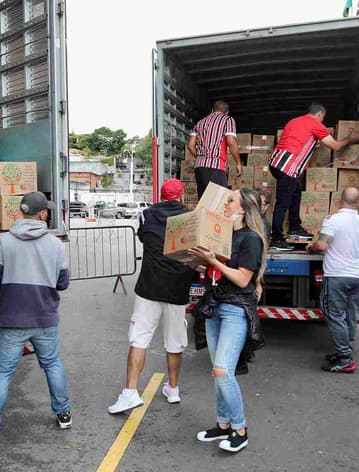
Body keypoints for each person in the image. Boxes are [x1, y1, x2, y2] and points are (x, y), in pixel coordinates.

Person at [0, 191, 71, 448]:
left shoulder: (3, 242)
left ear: (20, 212)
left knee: (3, 372)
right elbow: (62, 283)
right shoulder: (56, 245)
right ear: (43, 214)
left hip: (13, 317)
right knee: (52, 364)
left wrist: (6, 302)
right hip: (45, 318)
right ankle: (63, 413)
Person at [188, 188, 266, 453]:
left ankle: (240, 430)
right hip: (214, 306)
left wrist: (214, 262)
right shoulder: (223, 234)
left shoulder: (251, 239)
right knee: (218, 371)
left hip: (235, 309)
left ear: (243, 209)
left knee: (222, 370)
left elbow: (243, 279)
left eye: (230, 200)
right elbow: (212, 271)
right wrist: (200, 263)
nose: (225, 203)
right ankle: (222, 425)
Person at [107, 179, 195, 414]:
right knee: (175, 341)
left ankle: (130, 392)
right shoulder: (191, 217)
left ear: (161, 195)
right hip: (178, 287)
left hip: (150, 285)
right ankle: (173, 388)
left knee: (139, 339)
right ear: (181, 196)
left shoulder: (147, 214)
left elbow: (144, 237)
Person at [268, 102, 359, 251]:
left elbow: (296, 140)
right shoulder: (315, 123)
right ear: (320, 114)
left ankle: (294, 227)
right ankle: (277, 239)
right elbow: (335, 146)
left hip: (276, 161)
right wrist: (350, 138)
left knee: (295, 193)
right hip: (287, 165)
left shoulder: (294, 121)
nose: (322, 121)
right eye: (323, 118)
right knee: (283, 202)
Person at [307, 187, 359, 373]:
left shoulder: (333, 220)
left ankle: (344, 358)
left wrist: (311, 246)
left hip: (336, 276)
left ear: (339, 200)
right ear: (358, 202)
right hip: (355, 276)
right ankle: (346, 352)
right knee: (350, 315)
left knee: (334, 315)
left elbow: (322, 245)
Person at [187, 100, 242, 199]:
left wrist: (201, 157)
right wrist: (238, 163)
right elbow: (231, 142)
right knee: (219, 202)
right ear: (227, 112)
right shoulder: (228, 120)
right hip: (215, 167)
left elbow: (190, 145)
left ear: (212, 110)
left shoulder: (200, 122)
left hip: (200, 168)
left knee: (203, 203)